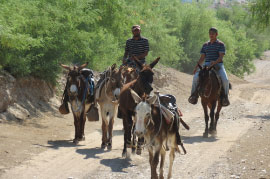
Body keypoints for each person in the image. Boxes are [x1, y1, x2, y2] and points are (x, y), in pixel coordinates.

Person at [188, 27, 230, 107]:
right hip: (207, 65)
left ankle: (225, 97)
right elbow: (202, 57)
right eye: (210, 34)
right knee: (196, 77)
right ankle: (193, 95)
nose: (211, 35)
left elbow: (221, 57)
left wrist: (215, 62)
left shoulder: (221, 44)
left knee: (225, 80)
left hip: (218, 65)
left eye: (213, 34)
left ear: (216, 34)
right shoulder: (205, 45)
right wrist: (196, 67)